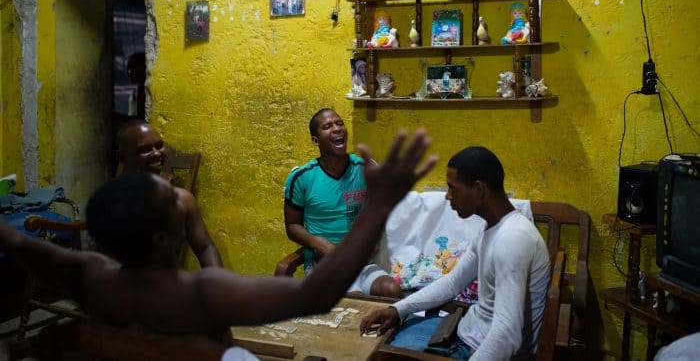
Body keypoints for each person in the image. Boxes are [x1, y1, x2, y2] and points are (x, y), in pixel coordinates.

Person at [0, 130, 436, 347]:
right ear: (162, 239)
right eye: (176, 214)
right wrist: (380, 203)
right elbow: (316, 294)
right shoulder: (200, 295)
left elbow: (19, 244)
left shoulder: (90, 276)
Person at [360, 146, 550, 360]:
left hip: (474, 349)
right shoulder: (491, 228)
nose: (448, 196)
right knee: (371, 344)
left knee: (374, 354)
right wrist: (397, 309)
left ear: (479, 189)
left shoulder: (512, 239)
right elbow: (453, 282)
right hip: (462, 331)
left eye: (453, 188)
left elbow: (507, 336)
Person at [284, 109, 404, 298]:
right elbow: (292, 226)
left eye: (339, 123)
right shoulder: (302, 177)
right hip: (323, 265)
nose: (337, 129)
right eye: (327, 126)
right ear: (316, 140)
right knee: (353, 300)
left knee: (392, 291)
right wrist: (320, 244)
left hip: (361, 263)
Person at [116, 120, 223, 268]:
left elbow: (205, 247)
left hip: (167, 283)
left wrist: (215, 282)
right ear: (123, 157)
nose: (156, 153)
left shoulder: (182, 199)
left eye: (159, 145)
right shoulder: (112, 200)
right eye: (144, 149)